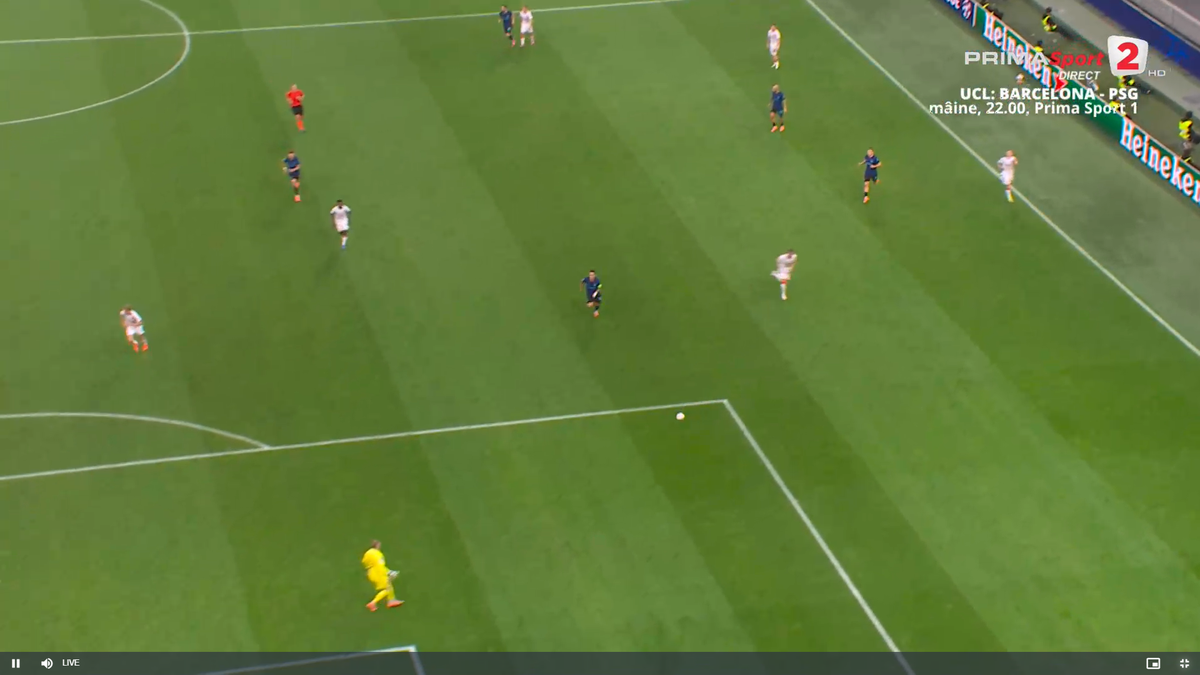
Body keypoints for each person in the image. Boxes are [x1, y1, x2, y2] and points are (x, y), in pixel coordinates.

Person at [362, 540, 404, 612]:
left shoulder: (367, 554)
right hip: (378, 572)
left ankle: (391, 600)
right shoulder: (377, 554)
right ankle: (373, 603)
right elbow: (380, 565)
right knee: (386, 589)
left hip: (370, 573)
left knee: (388, 585)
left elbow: (364, 562)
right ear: (377, 545)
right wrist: (389, 572)